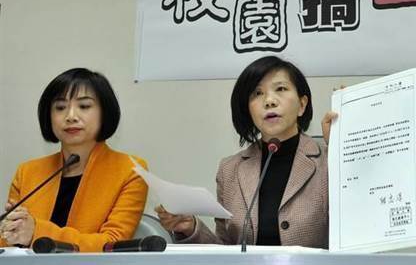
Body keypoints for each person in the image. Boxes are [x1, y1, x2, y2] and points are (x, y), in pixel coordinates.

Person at [156, 56, 332, 248]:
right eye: (257, 93)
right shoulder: (230, 170)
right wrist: (190, 228)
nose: (269, 101)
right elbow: (226, 250)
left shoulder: (328, 161)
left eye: (280, 89)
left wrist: (342, 150)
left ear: (302, 105)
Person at [0, 68, 148, 252]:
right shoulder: (27, 172)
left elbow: (112, 244)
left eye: (84, 106)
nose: (71, 116)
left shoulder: (131, 171)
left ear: (104, 112)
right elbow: (5, 244)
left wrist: (36, 232)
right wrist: (13, 234)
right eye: (60, 107)